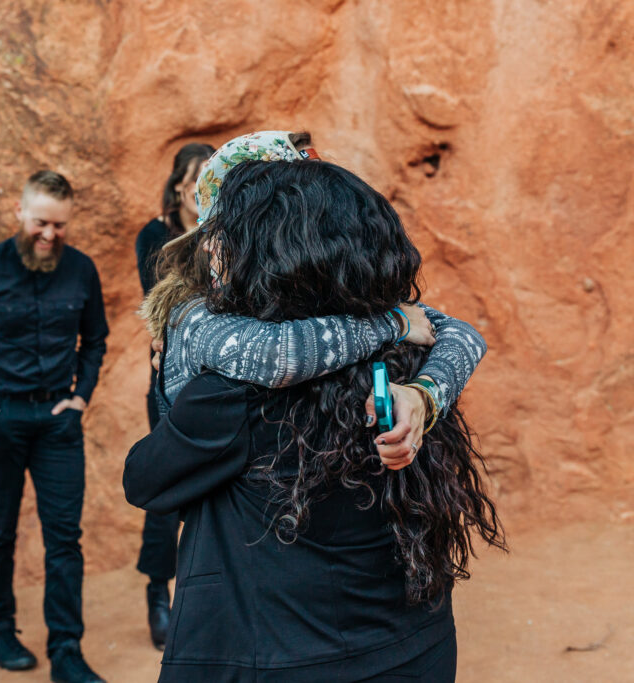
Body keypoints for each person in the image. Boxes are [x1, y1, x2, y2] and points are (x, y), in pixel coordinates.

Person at [125, 159, 505, 681]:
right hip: (417, 649)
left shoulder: (234, 392)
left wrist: (174, 377)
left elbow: (145, 478)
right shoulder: (414, 357)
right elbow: (464, 335)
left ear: (268, 256)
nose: (211, 249)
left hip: (283, 659)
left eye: (225, 235)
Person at [143, 131, 487, 470]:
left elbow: (461, 334)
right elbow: (278, 355)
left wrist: (423, 395)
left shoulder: (288, 297)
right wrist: (392, 323)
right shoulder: (195, 314)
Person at [0, 170, 109, 683]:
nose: (49, 234)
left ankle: (67, 651)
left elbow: (95, 340)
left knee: (65, 538)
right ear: (19, 212)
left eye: (59, 225)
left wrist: (80, 397)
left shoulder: (81, 271)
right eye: (41, 222)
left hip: (58, 420)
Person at [132, 141, 215, 650]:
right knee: (167, 492)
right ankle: (156, 593)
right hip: (169, 383)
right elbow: (164, 301)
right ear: (181, 185)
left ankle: (195, 597)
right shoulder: (156, 235)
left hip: (220, 381)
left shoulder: (227, 229)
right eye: (199, 179)